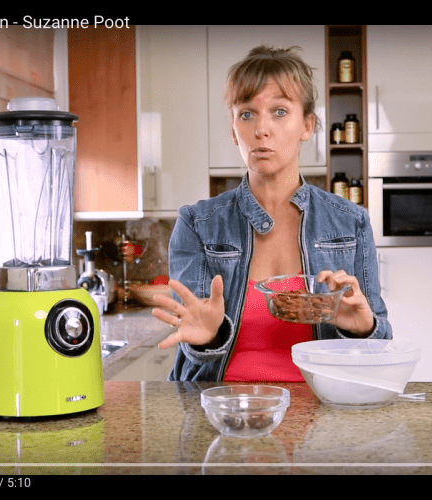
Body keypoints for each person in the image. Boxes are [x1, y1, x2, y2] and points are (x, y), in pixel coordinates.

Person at [152, 45, 392, 382]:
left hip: (323, 407)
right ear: (233, 130)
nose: (261, 129)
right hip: (221, 405)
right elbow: (194, 343)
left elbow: (381, 343)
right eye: (246, 114)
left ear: (307, 125)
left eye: (279, 111)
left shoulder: (351, 222)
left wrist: (362, 329)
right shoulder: (198, 224)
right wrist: (208, 338)